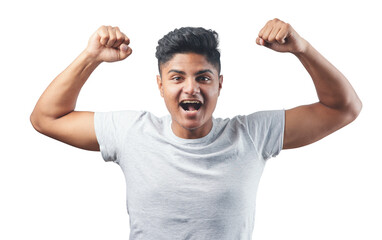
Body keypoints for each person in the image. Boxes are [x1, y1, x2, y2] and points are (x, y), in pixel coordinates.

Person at [30, 18, 362, 239]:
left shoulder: (251, 134)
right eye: (177, 78)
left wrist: (302, 49)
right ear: (160, 86)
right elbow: (46, 118)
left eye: (203, 77)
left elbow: (343, 108)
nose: (191, 89)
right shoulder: (130, 131)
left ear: (219, 85)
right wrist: (91, 57)